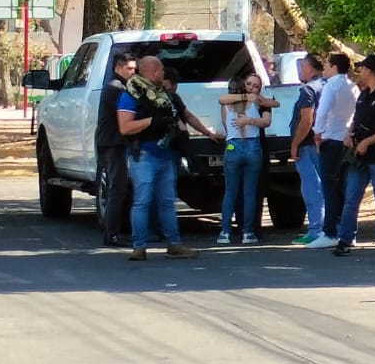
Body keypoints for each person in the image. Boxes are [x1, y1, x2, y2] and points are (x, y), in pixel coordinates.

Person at [116, 54, 198, 261]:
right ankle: (139, 247)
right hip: (144, 154)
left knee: (168, 202)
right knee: (142, 201)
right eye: (161, 69)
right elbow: (125, 127)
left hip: (166, 153)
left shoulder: (164, 95)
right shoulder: (131, 95)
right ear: (152, 71)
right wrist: (151, 121)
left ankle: (174, 244)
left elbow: (181, 116)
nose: (163, 73)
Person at [333, 55, 375, 256]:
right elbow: (356, 120)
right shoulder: (363, 95)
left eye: (362, 68)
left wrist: (367, 142)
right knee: (351, 197)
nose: (360, 72)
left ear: (370, 71)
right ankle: (345, 240)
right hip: (359, 157)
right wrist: (350, 135)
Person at [216, 73, 271, 244]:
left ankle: (225, 232)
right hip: (253, 146)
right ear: (244, 87)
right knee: (250, 192)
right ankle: (248, 232)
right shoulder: (256, 102)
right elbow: (267, 118)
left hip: (233, 146)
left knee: (230, 192)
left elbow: (225, 124)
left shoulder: (226, 105)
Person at [310, 52, 357, 249]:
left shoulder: (331, 86)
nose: (325, 68)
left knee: (330, 188)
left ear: (335, 67)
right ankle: (348, 232)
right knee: (345, 189)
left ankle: (330, 232)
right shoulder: (353, 86)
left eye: (327, 64)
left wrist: (317, 133)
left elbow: (322, 112)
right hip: (346, 140)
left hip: (331, 140)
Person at [96, 51, 136, 247]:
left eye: (134, 69)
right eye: (129, 69)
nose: (133, 72)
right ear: (118, 68)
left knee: (119, 188)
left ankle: (116, 232)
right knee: (117, 189)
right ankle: (111, 234)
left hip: (114, 143)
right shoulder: (115, 88)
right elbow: (128, 113)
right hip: (112, 144)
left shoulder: (120, 86)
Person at [289, 54, 327, 244]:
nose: (301, 70)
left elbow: (307, 120)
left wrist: (295, 143)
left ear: (310, 68)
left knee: (312, 188)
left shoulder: (309, 90)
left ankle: (316, 230)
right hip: (325, 143)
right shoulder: (328, 85)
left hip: (308, 145)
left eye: (303, 66)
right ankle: (328, 228)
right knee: (325, 186)